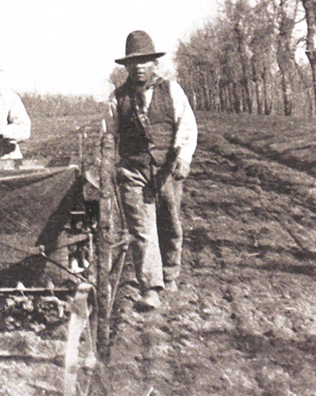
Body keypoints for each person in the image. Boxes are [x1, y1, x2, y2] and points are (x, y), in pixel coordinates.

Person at [108, 30, 198, 310]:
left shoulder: (171, 90)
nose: (139, 67)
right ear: (126, 67)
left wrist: (183, 159)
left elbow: (187, 126)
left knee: (169, 222)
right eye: (133, 63)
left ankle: (170, 271)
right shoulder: (117, 98)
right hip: (133, 171)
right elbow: (108, 135)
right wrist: (107, 164)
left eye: (145, 61)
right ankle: (151, 287)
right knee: (141, 230)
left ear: (154, 64)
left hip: (166, 170)